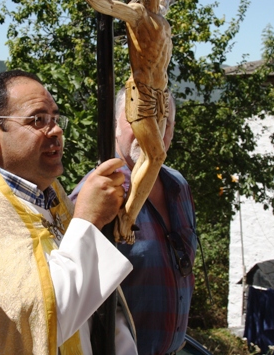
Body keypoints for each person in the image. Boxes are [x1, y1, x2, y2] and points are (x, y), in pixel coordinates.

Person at [0, 70, 137, 355]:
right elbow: (37, 325)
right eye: (38, 120)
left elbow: (98, 313)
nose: (55, 130)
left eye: (55, 119)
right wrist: (88, 222)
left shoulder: (54, 197)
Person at [71, 87, 197, 355]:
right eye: (139, 118)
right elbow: (72, 296)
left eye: (164, 121)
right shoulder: (98, 194)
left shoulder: (178, 186)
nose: (152, 129)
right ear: (115, 125)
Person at [60, 0, 174, 244]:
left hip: (160, 95)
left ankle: (128, 216)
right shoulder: (136, 13)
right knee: (155, 156)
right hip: (143, 93)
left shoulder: (159, 16)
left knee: (155, 159)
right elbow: (106, 5)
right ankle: (128, 218)